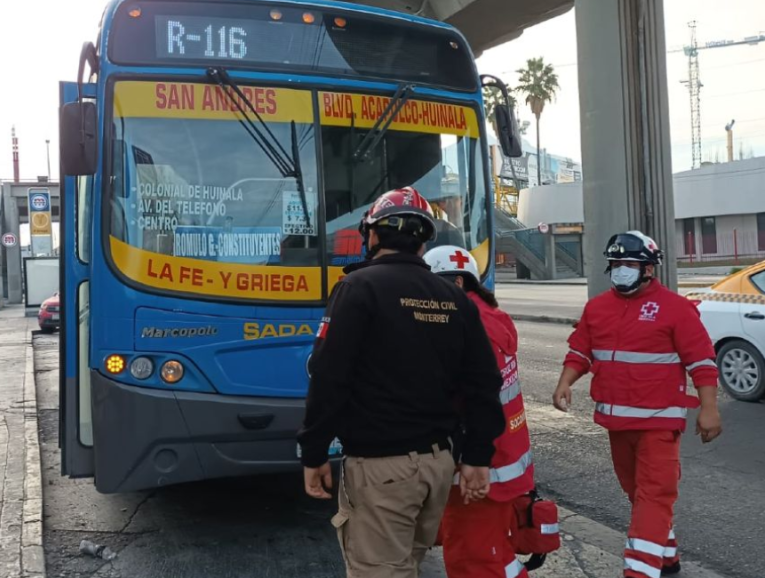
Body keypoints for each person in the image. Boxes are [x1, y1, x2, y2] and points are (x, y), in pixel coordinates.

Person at [297, 186, 506, 578]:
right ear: (423, 241)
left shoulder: (357, 289)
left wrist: (313, 451)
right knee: (406, 564)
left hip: (382, 469)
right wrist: (477, 454)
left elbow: (329, 378)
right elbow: (483, 382)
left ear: (372, 235)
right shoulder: (454, 297)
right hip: (437, 466)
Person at [551, 231, 722, 578]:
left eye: (629, 264)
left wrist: (709, 408)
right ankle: (667, 557)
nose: (621, 270)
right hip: (617, 423)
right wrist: (565, 382)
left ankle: (639, 571)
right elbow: (581, 350)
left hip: (660, 423)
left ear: (648, 269)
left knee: (655, 495)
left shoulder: (675, 308)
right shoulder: (597, 307)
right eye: (615, 264)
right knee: (638, 494)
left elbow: (701, 360)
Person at [423, 246, 534, 578]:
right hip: (502, 459)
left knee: (474, 560)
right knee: (493, 553)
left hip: (479, 467)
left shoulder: (464, 326)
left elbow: (468, 401)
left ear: (456, 282)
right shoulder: (491, 316)